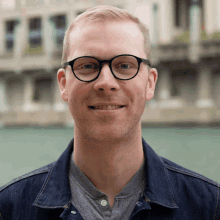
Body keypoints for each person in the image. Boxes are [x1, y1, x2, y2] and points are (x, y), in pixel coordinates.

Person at [0, 5, 219, 220]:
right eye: (87, 66)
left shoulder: (210, 206)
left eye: (124, 65)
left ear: (150, 83)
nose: (106, 82)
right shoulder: (8, 208)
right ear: (64, 84)